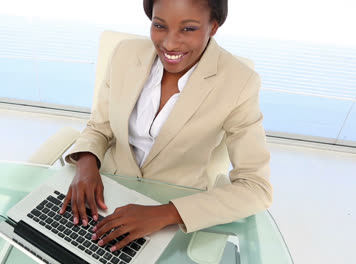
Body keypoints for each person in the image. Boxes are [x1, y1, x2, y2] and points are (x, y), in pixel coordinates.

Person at [60, 0, 272, 252]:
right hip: (104, 197)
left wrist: (166, 213)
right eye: (159, 25)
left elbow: (256, 187)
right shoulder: (125, 54)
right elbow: (100, 127)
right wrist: (86, 163)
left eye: (188, 29)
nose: (170, 44)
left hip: (174, 216)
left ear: (213, 27)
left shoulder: (239, 83)